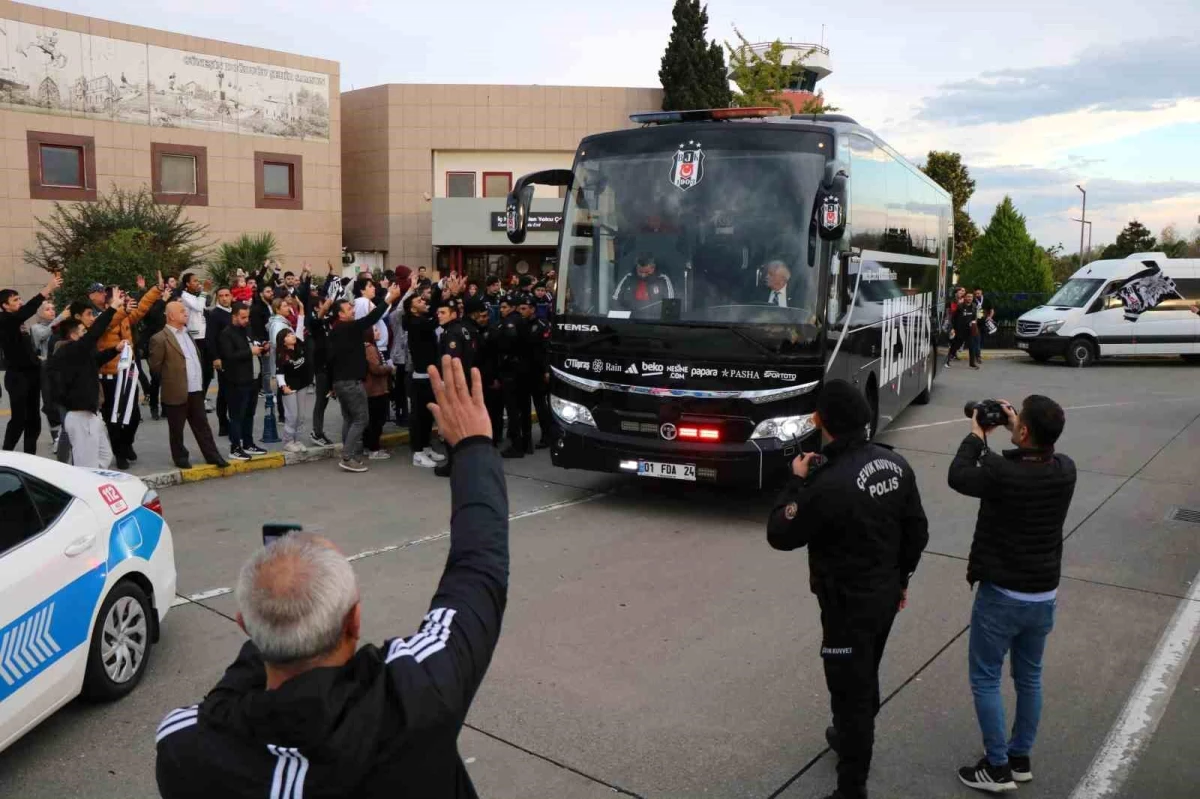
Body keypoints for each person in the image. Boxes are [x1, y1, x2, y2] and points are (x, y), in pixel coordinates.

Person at [766, 380, 929, 799]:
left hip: (845, 605)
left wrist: (795, 483)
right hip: (885, 595)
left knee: (849, 693)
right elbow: (918, 532)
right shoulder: (896, 465)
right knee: (865, 670)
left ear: (822, 421)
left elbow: (781, 533)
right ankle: (848, 734)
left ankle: (851, 788)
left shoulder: (826, 484)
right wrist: (902, 579)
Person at [948, 396, 1076, 793]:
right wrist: (1014, 426)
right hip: (1042, 595)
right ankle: (1019, 758)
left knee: (986, 679)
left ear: (1023, 432)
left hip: (1002, 595)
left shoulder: (1002, 473)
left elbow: (958, 475)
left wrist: (977, 434)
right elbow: (1033, 454)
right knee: (1029, 678)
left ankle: (997, 767)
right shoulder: (1065, 470)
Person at [327, 284, 402, 473]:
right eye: (349, 309)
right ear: (340, 315)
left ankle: (348, 450)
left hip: (340, 381)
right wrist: (388, 299)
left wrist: (332, 384)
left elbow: (330, 359)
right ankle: (347, 457)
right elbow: (371, 318)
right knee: (361, 419)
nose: (353, 310)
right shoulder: (349, 327)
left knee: (349, 418)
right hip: (351, 382)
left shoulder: (336, 331)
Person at [149, 301, 229, 470]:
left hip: (195, 389)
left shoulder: (188, 334)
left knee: (202, 426)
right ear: (171, 315)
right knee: (177, 429)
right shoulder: (160, 338)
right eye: (182, 311)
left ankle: (212, 455)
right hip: (176, 390)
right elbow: (155, 368)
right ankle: (180, 457)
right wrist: (172, 378)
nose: (186, 313)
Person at [96, 275, 164, 468]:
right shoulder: (101, 318)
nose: (124, 297)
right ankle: (119, 453)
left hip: (127, 375)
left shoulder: (125, 316)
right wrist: (121, 309)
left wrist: (156, 290)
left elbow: (142, 308)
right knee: (114, 419)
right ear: (108, 300)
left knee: (133, 416)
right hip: (109, 378)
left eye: (123, 295)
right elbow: (110, 320)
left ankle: (127, 444)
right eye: (119, 295)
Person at [48, 296, 122, 468]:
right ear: (74, 335)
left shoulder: (80, 352)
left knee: (105, 456)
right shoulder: (70, 350)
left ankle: (93, 485)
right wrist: (112, 308)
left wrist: (115, 350)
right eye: (83, 332)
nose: (86, 334)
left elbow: (96, 360)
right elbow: (96, 332)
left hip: (91, 414)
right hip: (80, 417)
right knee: (86, 466)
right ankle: (85, 491)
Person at [1, 273, 62, 452]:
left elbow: (24, 349)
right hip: (17, 378)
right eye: (15, 300)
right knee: (19, 420)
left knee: (33, 421)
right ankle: (6, 455)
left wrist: (37, 359)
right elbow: (26, 311)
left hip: (32, 375)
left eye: (20, 298)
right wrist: (48, 289)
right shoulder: (5, 320)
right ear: (4, 305)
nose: (20, 302)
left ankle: (30, 458)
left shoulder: (18, 322)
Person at [431, 299, 476, 477]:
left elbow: (450, 362)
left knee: (451, 425)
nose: (439, 316)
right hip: (464, 383)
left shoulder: (451, 333)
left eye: (443, 313)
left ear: (453, 314)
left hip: (454, 385)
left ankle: (454, 465)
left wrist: (445, 384)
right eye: (438, 313)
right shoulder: (464, 328)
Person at [218, 303, 267, 461]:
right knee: (237, 415)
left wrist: (262, 348)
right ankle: (235, 447)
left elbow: (253, 344)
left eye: (248, 317)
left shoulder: (247, 329)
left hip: (252, 379)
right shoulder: (227, 334)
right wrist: (249, 352)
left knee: (249, 414)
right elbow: (229, 356)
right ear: (234, 317)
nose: (246, 320)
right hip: (237, 381)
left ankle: (248, 443)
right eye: (243, 317)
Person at [403, 290, 445, 469]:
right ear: (412, 309)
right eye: (419, 300)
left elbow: (433, 316)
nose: (423, 302)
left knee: (429, 415)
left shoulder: (421, 319)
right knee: (418, 417)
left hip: (431, 375)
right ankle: (418, 453)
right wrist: (442, 294)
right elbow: (435, 320)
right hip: (420, 377)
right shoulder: (414, 322)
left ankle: (426, 447)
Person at [497, 294, 532, 458]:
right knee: (524, 407)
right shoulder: (522, 320)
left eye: (504, 307)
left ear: (512, 307)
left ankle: (517, 446)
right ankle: (526, 443)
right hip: (523, 369)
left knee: (513, 409)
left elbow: (509, 341)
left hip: (513, 369)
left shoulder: (511, 321)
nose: (502, 310)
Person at [517, 294, 552, 450]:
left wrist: (546, 370)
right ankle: (526, 438)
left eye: (524, 308)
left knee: (540, 406)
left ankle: (547, 435)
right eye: (520, 308)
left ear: (532, 309)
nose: (521, 311)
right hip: (523, 371)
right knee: (523, 407)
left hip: (537, 371)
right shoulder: (520, 324)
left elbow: (546, 350)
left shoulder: (542, 325)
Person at [468, 297, 505, 444]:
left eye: (485, 316)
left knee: (494, 412)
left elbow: (496, 358)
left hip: (492, 379)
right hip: (478, 378)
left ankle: (494, 438)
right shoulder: (473, 331)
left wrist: (495, 379)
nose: (483, 319)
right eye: (480, 316)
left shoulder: (493, 331)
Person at [179, 272, 215, 410]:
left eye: (197, 280)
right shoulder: (184, 296)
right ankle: (198, 399)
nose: (197, 283)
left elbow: (204, 307)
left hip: (205, 335)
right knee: (200, 369)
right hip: (196, 337)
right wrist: (204, 290)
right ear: (187, 284)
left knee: (208, 371)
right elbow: (199, 307)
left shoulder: (197, 295)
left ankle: (202, 396)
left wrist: (203, 292)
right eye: (194, 281)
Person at [275, 329, 311, 454]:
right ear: (283, 340)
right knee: (292, 416)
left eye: (292, 334)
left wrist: (301, 313)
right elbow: (279, 372)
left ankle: (297, 439)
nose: (292, 336)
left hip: (302, 385)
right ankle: (288, 441)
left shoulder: (299, 347)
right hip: (289, 387)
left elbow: (300, 330)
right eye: (289, 335)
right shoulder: (282, 354)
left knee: (301, 416)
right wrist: (283, 386)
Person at [206, 288, 234, 436]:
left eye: (227, 295)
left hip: (235, 358)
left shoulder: (233, 312)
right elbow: (210, 338)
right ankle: (223, 424)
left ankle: (233, 422)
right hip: (222, 360)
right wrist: (215, 357)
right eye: (221, 296)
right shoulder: (215, 315)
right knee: (223, 393)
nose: (224, 298)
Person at [363, 326, 395, 460]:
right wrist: (390, 368)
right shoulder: (370, 348)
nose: (379, 332)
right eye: (375, 330)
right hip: (375, 390)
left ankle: (368, 447)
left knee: (372, 420)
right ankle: (373, 449)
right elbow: (375, 369)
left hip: (374, 389)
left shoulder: (371, 347)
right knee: (376, 421)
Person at [945, 287, 978, 369]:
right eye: (968, 297)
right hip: (959, 330)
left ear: (972, 298)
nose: (969, 298)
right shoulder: (960, 307)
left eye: (971, 297)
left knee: (972, 346)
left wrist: (974, 324)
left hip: (969, 330)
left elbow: (974, 318)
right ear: (965, 297)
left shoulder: (974, 306)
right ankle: (947, 361)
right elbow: (953, 318)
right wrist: (952, 328)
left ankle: (972, 363)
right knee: (955, 346)